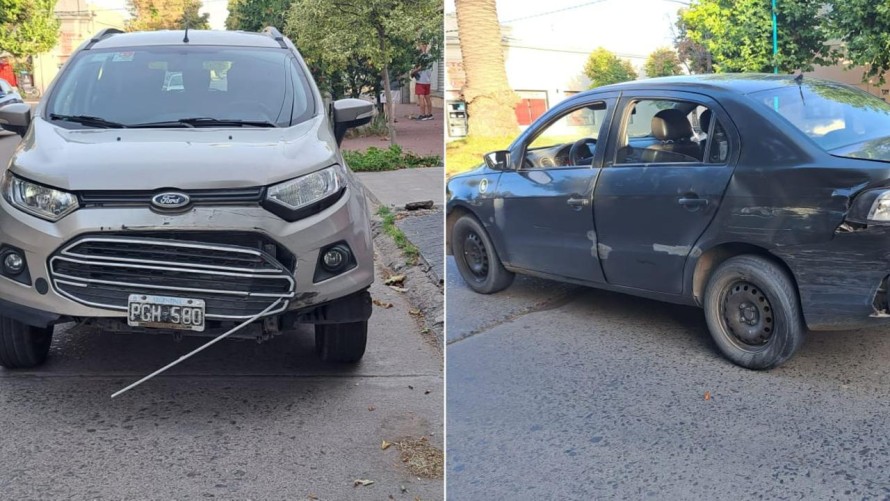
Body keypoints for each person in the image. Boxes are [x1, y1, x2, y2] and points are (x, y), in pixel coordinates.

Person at [410, 42, 433, 121]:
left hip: (421, 81)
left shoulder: (421, 57)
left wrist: (413, 72)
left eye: (420, 45)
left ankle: (423, 115)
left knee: (421, 98)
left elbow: (420, 67)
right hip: (428, 80)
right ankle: (429, 114)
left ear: (422, 46)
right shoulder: (431, 56)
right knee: (427, 98)